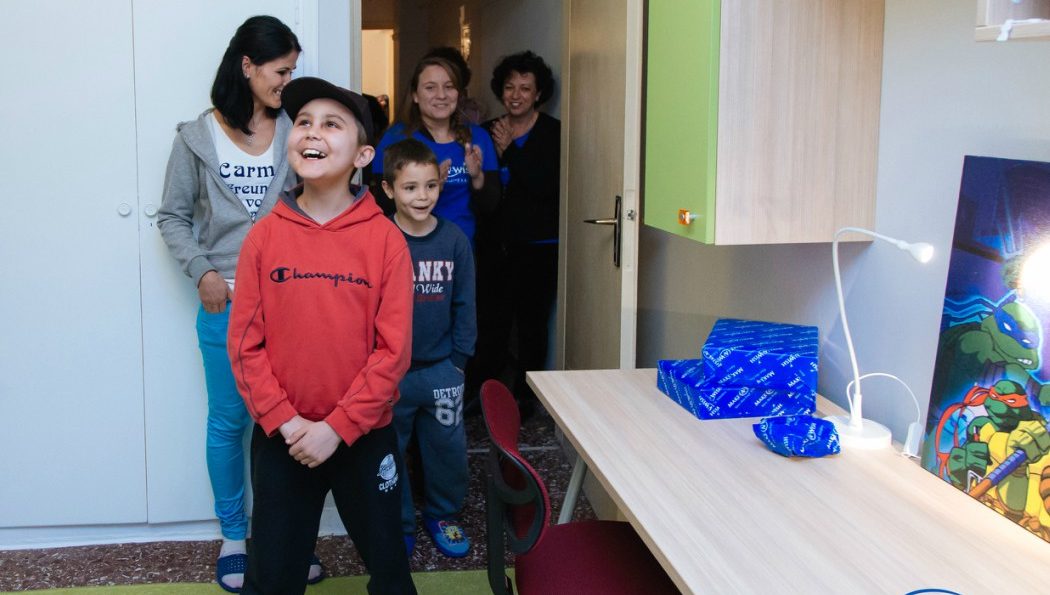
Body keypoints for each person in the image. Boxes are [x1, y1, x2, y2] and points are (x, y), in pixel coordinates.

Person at [227, 76, 417, 594]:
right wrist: (287, 423)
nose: (312, 132)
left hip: (364, 434)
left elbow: (393, 352)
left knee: (390, 570)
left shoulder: (386, 241)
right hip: (283, 438)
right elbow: (244, 346)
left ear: (363, 155)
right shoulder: (264, 237)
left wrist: (337, 427)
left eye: (332, 124)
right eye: (304, 122)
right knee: (273, 574)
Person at [156, 15, 323, 592]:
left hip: (291, 301)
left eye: (292, 72)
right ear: (247, 66)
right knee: (230, 422)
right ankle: (233, 535)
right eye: (281, 71)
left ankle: (287, 539)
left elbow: (318, 203)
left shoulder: (296, 131)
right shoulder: (195, 138)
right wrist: (202, 271)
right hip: (225, 306)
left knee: (288, 422)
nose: (287, 82)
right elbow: (172, 216)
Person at [380, 139, 476, 558]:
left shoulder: (453, 240)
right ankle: (399, 522)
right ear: (389, 189)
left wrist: (458, 361)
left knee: (446, 451)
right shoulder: (379, 238)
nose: (422, 196)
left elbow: (465, 303)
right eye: (410, 187)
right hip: (391, 373)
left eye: (431, 186)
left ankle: (443, 514)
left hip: (442, 369)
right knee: (389, 452)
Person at [476, 51, 560, 417]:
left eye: (525, 88)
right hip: (496, 243)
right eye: (510, 87)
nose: (516, 95)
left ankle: (526, 399)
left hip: (539, 246)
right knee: (492, 321)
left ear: (538, 93)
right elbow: (482, 191)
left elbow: (545, 186)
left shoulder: (553, 133)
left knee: (531, 324)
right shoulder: (486, 131)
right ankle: (486, 394)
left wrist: (509, 152)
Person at [370, 55, 500, 241]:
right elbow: (383, 205)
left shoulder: (478, 138)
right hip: (409, 248)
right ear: (415, 95)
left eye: (449, 87)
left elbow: (490, 207)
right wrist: (431, 187)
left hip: (464, 248)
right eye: (430, 87)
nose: (441, 95)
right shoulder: (395, 138)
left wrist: (477, 176)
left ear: (459, 93)